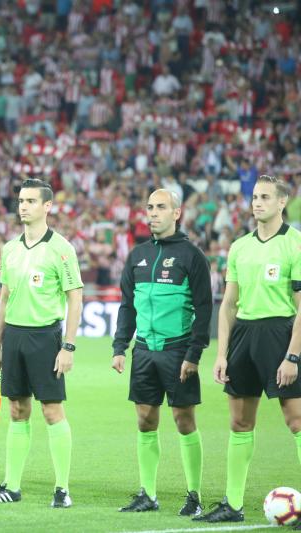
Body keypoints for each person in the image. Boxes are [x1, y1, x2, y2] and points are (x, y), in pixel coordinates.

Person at [195, 175, 301, 523]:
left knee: (296, 419)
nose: (257, 202)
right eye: (255, 196)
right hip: (244, 336)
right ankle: (233, 504)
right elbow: (227, 305)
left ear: (281, 202)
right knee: (240, 422)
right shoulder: (240, 246)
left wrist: (292, 355)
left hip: (280, 333)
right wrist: (222, 353)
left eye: (265, 197)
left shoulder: (295, 244)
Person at [0, 178, 83, 507]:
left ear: (47, 207)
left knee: (52, 411)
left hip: (45, 337)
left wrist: (68, 347)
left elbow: (75, 299)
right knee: (17, 410)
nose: (23, 206)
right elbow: (4, 298)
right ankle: (11, 486)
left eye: (31, 201)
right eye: (21, 200)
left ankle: (62, 490)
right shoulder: (9, 249)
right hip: (15, 337)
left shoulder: (62, 249)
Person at [112, 189, 212, 516]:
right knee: (144, 419)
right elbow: (127, 305)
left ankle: (194, 495)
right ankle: (148, 495)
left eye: (161, 207)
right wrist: (119, 347)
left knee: (184, 421)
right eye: (150, 207)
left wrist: (194, 354)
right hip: (144, 351)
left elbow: (204, 308)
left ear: (177, 212)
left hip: (177, 350)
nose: (153, 213)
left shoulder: (191, 256)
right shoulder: (136, 255)